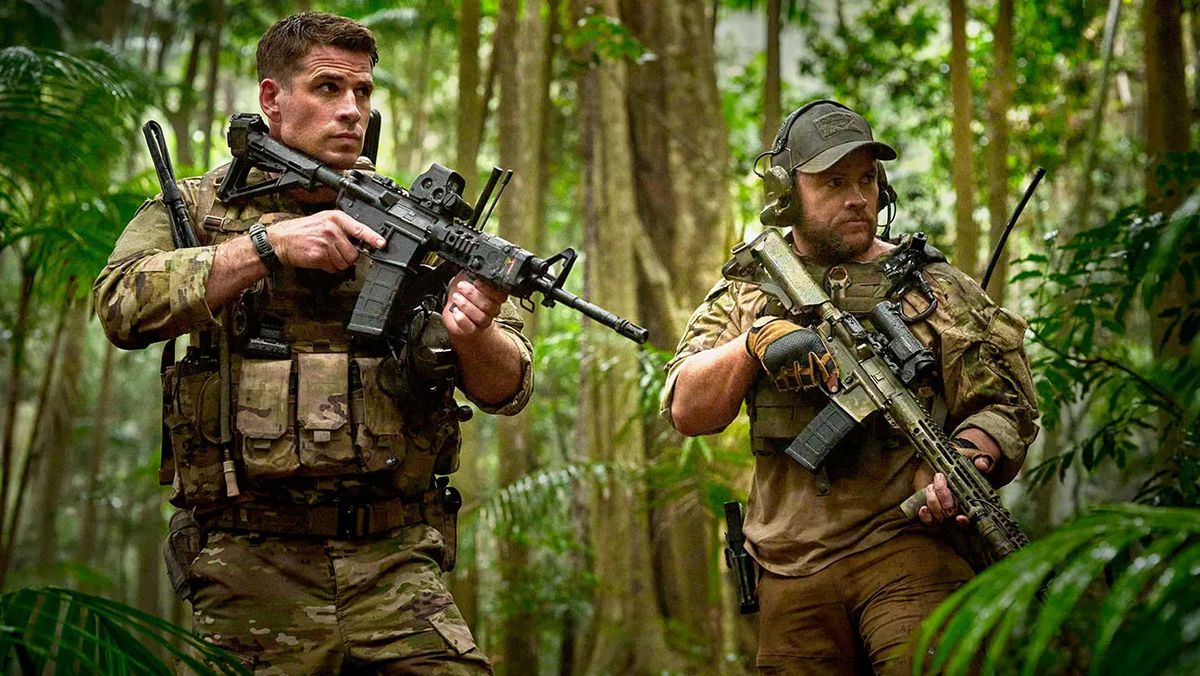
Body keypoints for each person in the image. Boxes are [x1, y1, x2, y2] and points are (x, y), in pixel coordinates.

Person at [93, 12, 529, 674]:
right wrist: (267, 247)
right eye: (328, 88)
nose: (351, 110)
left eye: (363, 93)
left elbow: (507, 388)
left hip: (397, 562)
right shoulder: (199, 208)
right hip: (249, 567)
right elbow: (121, 304)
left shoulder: (420, 227)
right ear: (272, 99)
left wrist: (477, 332)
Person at [660, 100, 1038, 674]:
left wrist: (965, 462)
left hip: (908, 548)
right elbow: (687, 408)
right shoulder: (747, 293)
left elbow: (1004, 403)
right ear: (788, 195)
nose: (856, 196)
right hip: (790, 568)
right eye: (833, 182)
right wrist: (754, 342)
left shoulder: (932, 287)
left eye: (866, 178)